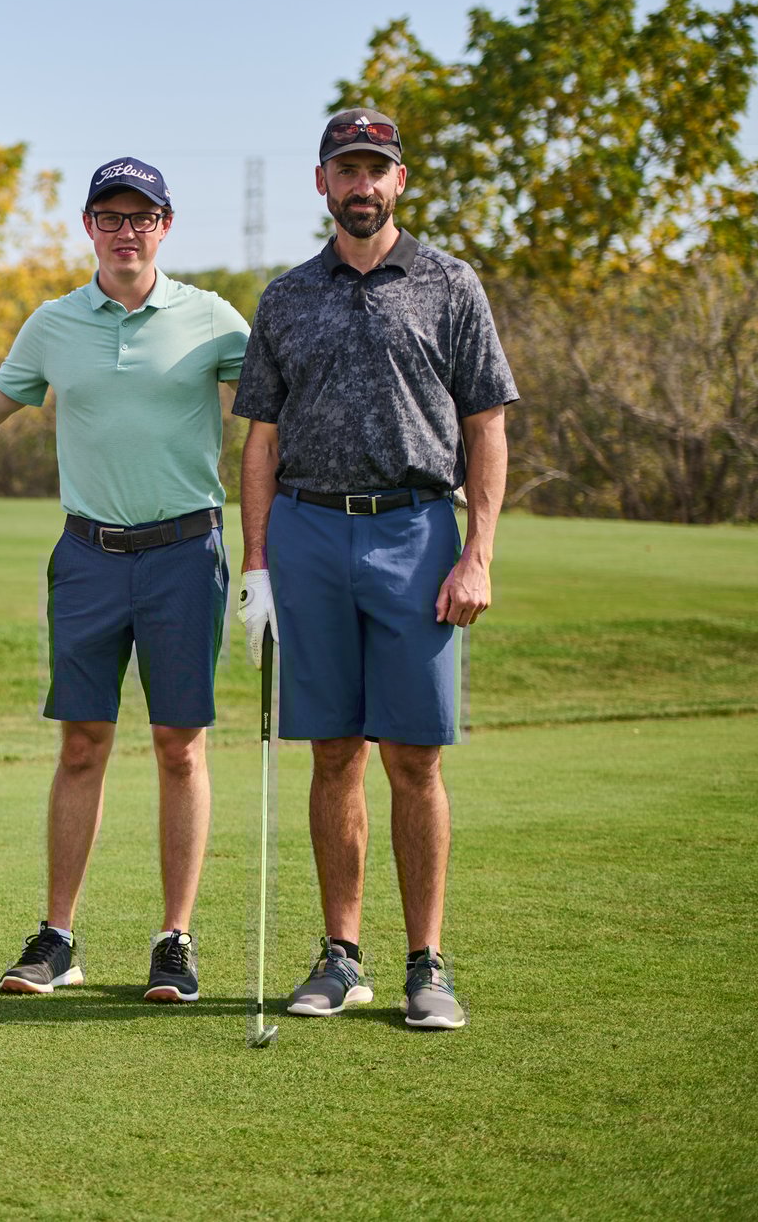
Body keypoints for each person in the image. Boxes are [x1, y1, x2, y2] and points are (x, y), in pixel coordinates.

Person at [233, 109, 517, 1032]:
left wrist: (478, 553)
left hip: (417, 531)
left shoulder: (450, 283)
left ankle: (426, 963)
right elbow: (260, 441)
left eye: (376, 169)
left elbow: (486, 427)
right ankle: (340, 956)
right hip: (310, 532)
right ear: (322, 182)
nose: (362, 184)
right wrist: (258, 565)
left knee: (415, 756)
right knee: (332, 752)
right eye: (346, 169)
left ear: (400, 180)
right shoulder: (286, 297)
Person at [0, 159, 250, 1004]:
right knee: (82, 742)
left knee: (179, 746)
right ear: (89, 226)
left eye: (142, 216)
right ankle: (57, 938)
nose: (127, 231)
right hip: (88, 554)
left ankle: (174, 938)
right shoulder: (54, 323)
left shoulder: (213, 319)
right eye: (111, 216)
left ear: (166, 225)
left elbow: (280, 411)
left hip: (185, 554)